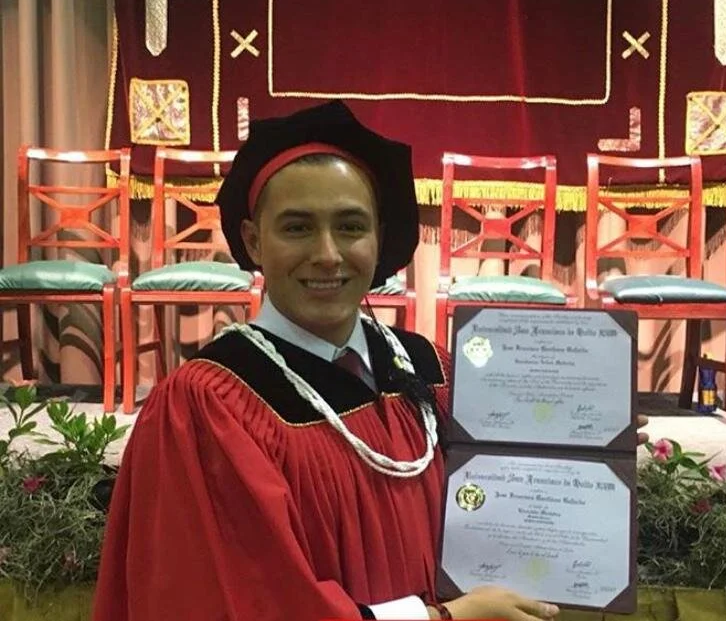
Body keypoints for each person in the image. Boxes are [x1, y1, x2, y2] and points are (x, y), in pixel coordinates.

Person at [92, 101, 646, 621]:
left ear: (379, 238)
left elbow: (505, 494)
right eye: (297, 227)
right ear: (253, 241)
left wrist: (585, 442)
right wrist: (444, 617)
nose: (328, 254)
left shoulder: (428, 369)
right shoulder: (209, 407)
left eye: (351, 226)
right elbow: (251, 600)